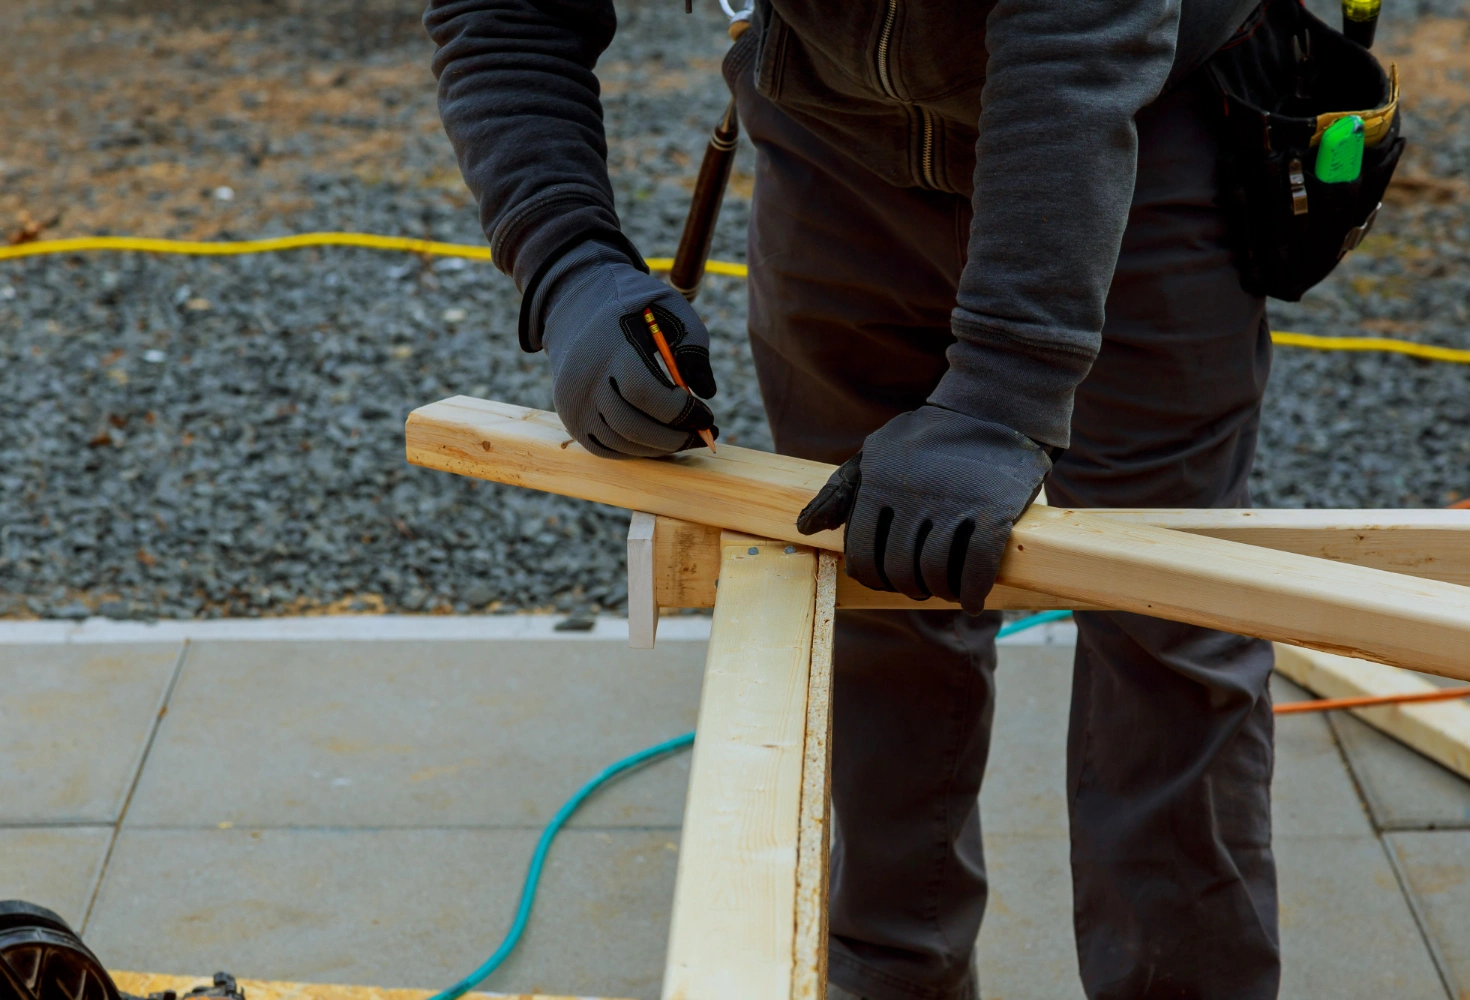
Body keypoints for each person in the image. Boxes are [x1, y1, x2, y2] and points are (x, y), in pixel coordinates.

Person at [425, 0, 1280, 996]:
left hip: (1136, 131)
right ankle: (891, 972)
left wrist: (1003, 392)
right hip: (831, 145)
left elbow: (1078, 41)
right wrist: (566, 261)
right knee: (866, 590)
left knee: (1168, 621)